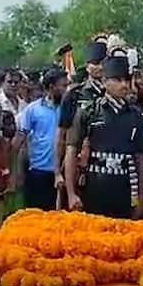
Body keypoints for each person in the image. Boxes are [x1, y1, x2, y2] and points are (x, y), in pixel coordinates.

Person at [65, 52, 143, 219]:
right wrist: (71, 193)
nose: (124, 85)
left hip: (124, 186)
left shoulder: (136, 115)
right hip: (94, 185)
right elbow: (71, 152)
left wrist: (140, 198)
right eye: (117, 80)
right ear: (104, 82)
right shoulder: (89, 112)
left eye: (126, 80)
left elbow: (141, 159)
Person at [55, 39, 107, 206]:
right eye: (94, 63)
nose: (99, 67)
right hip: (74, 159)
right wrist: (57, 171)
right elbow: (61, 133)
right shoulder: (75, 94)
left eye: (103, 63)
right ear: (87, 67)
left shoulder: (113, 94)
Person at [12, 67, 68, 211]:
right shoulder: (32, 109)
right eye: (63, 86)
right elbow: (19, 141)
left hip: (63, 173)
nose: (66, 90)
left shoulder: (69, 110)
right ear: (51, 87)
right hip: (38, 172)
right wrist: (15, 171)